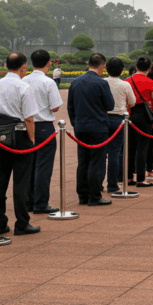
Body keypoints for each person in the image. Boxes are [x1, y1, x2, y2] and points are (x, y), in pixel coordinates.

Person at [0, 53, 39, 235]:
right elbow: (29, 118)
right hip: (19, 135)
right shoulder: (24, 87)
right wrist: (31, 139)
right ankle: (22, 223)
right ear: (23, 66)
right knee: (21, 182)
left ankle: (0, 224)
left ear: (6, 65)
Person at [66, 53, 115, 206]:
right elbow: (110, 106)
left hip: (81, 127)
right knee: (97, 161)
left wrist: (76, 123)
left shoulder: (76, 82)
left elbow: (70, 106)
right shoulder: (101, 83)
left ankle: (82, 194)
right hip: (98, 127)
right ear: (101, 66)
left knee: (83, 161)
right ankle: (94, 195)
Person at [25, 49, 64, 215]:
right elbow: (55, 107)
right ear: (49, 63)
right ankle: (41, 203)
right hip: (44, 126)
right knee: (44, 166)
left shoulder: (23, 80)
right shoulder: (48, 82)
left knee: (29, 166)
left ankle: (29, 201)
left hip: (27, 125)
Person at [127, 57, 153, 185]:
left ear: (136, 66)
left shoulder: (128, 80)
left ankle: (129, 177)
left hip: (130, 115)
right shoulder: (150, 82)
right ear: (149, 68)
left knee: (130, 147)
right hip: (144, 115)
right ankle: (141, 178)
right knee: (143, 147)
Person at [104, 57, 135, 192]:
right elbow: (132, 102)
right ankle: (113, 184)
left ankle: (98, 184)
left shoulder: (102, 82)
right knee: (115, 153)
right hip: (118, 119)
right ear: (122, 70)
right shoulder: (125, 84)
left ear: (106, 69)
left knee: (100, 153)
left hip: (103, 118)